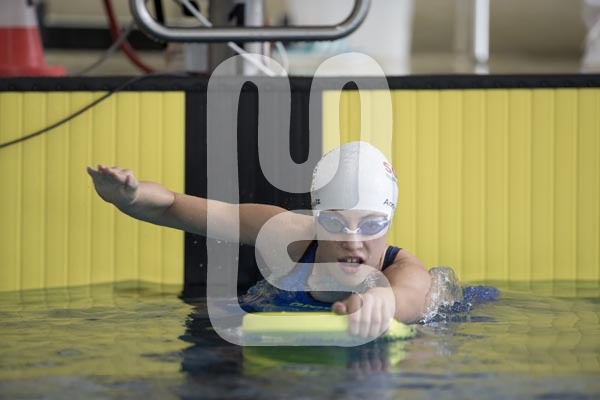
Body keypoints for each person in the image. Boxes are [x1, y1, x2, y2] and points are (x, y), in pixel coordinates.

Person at [88, 141, 433, 338]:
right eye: (334, 222)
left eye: (371, 225)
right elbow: (173, 207)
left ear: (389, 223)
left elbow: (410, 297)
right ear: (316, 219)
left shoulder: (403, 270)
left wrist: (381, 301)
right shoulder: (289, 236)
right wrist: (131, 197)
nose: (353, 241)